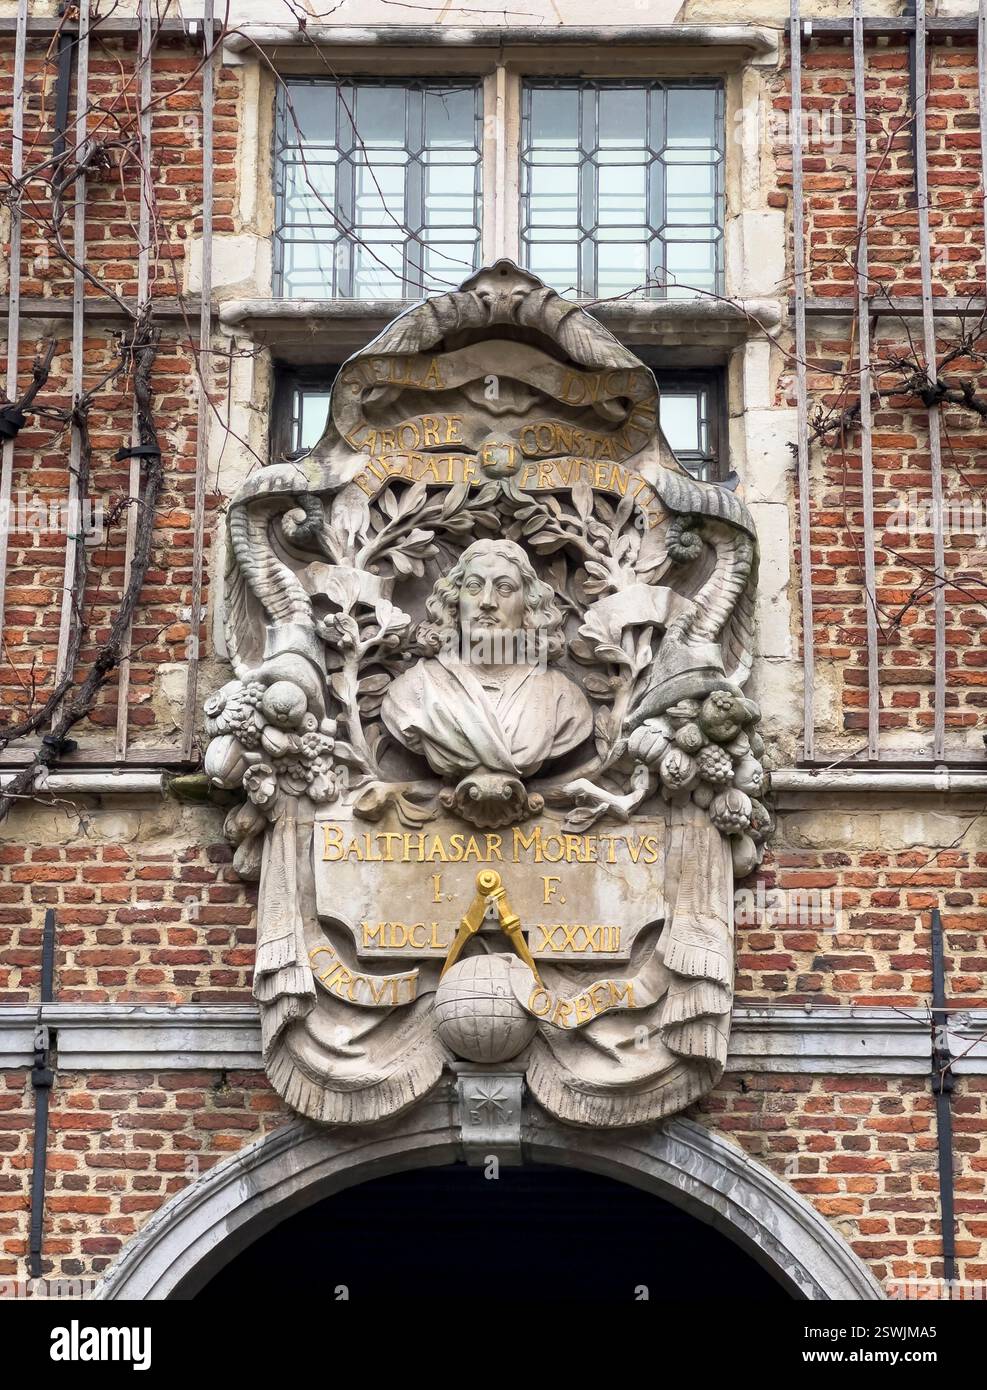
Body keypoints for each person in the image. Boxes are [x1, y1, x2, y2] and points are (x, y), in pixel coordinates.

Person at [381, 538, 593, 780]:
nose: (487, 602)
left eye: (504, 588)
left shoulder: (562, 699)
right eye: (474, 586)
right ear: (454, 602)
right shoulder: (412, 692)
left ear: (528, 607)